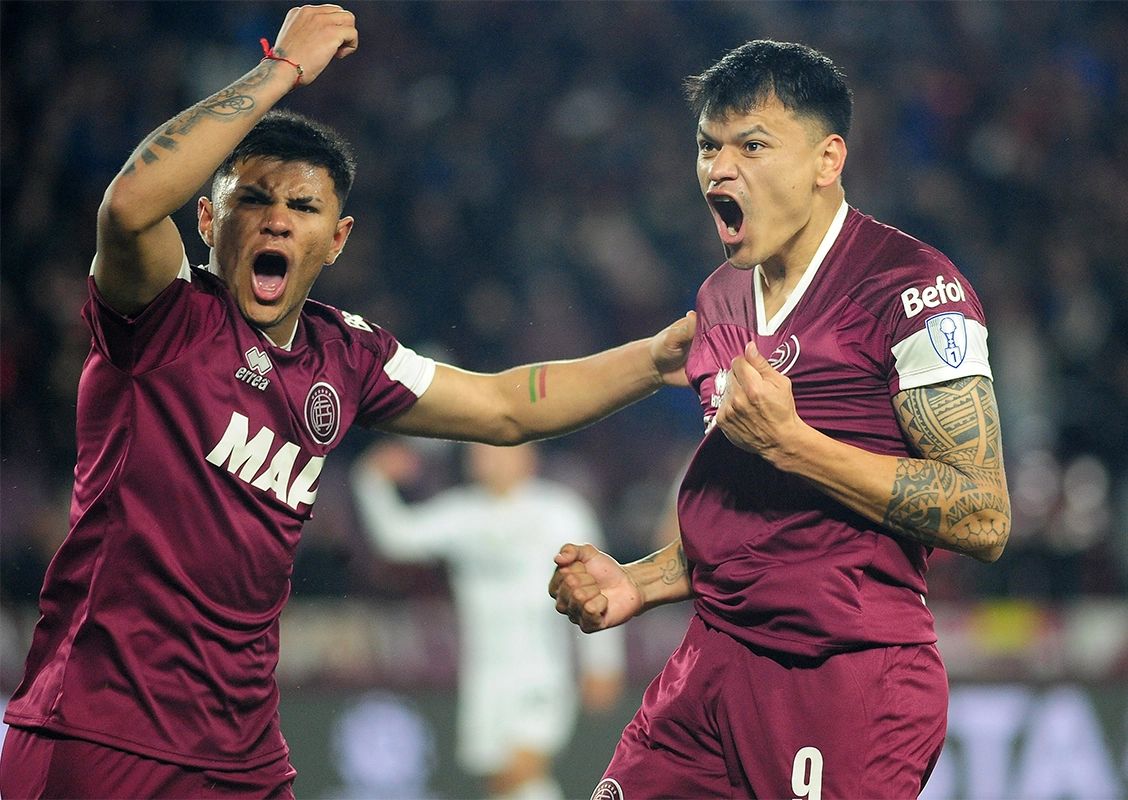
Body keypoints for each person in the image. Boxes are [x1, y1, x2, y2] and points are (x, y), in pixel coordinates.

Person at [0, 6, 693, 798]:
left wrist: (650, 359)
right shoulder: (163, 313)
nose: (277, 221)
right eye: (253, 200)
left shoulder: (348, 355)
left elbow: (507, 406)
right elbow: (125, 208)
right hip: (96, 734)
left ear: (337, 239)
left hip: (242, 753)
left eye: (303, 209)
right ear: (205, 217)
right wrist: (279, 70)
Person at [550, 39, 1011, 800]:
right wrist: (641, 582)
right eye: (707, 146)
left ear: (828, 160)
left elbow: (984, 513)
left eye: (752, 145)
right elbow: (763, 524)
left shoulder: (914, 291)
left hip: (846, 675)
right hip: (714, 665)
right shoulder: (722, 300)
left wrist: (796, 444)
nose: (718, 168)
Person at [353, 439, 625, 799]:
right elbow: (396, 538)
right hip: (484, 675)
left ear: (527, 456)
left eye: (497, 449)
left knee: (523, 769)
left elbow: (600, 585)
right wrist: (370, 482)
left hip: (539, 669)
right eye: (479, 451)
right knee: (499, 783)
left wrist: (604, 662)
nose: (487, 458)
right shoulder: (463, 514)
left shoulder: (559, 512)